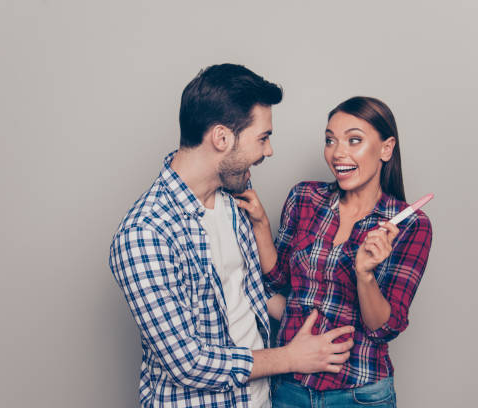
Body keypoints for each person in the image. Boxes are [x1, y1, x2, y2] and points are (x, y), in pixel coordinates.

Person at [108, 64, 355, 408]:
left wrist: (326, 313)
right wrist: (292, 357)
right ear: (222, 138)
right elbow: (187, 363)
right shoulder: (145, 234)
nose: (268, 151)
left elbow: (251, 292)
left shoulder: (234, 199)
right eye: (263, 137)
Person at [236, 96, 433, 407]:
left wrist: (364, 274)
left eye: (354, 140)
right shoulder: (305, 198)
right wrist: (260, 224)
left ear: (386, 148)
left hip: (359, 393)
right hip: (290, 388)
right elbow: (279, 279)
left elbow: (383, 328)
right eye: (330, 140)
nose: (337, 153)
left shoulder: (411, 226)